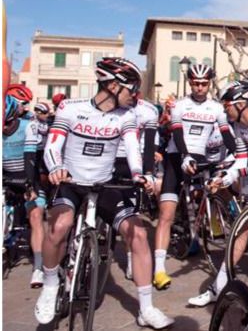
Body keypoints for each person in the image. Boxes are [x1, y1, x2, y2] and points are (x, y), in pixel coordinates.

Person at [34, 57, 172, 328]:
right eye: (132, 88)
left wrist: (139, 174)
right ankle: (49, 284)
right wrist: (56, 167)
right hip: (71, 182)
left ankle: (146, 308)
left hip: (105, 184)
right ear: (112, 86)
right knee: (60, 225)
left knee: (139, 235)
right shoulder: (70, 108)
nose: (135, 95)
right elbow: (53, 145)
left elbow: (132, 149)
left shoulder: (127, 116)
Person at [152, 63, 242, 291]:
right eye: (195, 83)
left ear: (209, 83)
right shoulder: (179, 105)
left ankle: (208, 226)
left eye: (204, 83)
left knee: (217, 190)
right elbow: (177, 132)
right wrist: (184, 155)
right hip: (177, 156)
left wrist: (238, 154)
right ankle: (159, 269)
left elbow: (226, 134)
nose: (200, 87)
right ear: (190, 83)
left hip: (201, 157)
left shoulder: (216, 108)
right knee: (166, 213)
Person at [187, 81, 248, 307]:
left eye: (227, 105)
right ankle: (218, 287)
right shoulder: (237, 125)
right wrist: (226, 177)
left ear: (241, 104)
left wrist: (237, 173)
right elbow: (242, 158)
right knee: (239, 232)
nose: (224, 110)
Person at [114, 93, 159, 281]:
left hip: (133, 160)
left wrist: (148, 173)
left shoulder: (149, 111)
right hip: (108, 159)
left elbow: (149, 146)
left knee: (130, 211)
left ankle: (131, 257)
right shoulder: (109, 106)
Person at [2, 94, 46, 288]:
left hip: (28, 176)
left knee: (35, 216)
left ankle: (38, 266)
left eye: (7, 123)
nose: (3, 128)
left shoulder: (29, 126)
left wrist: (29, 185)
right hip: (6, 176)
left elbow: (30, 157)